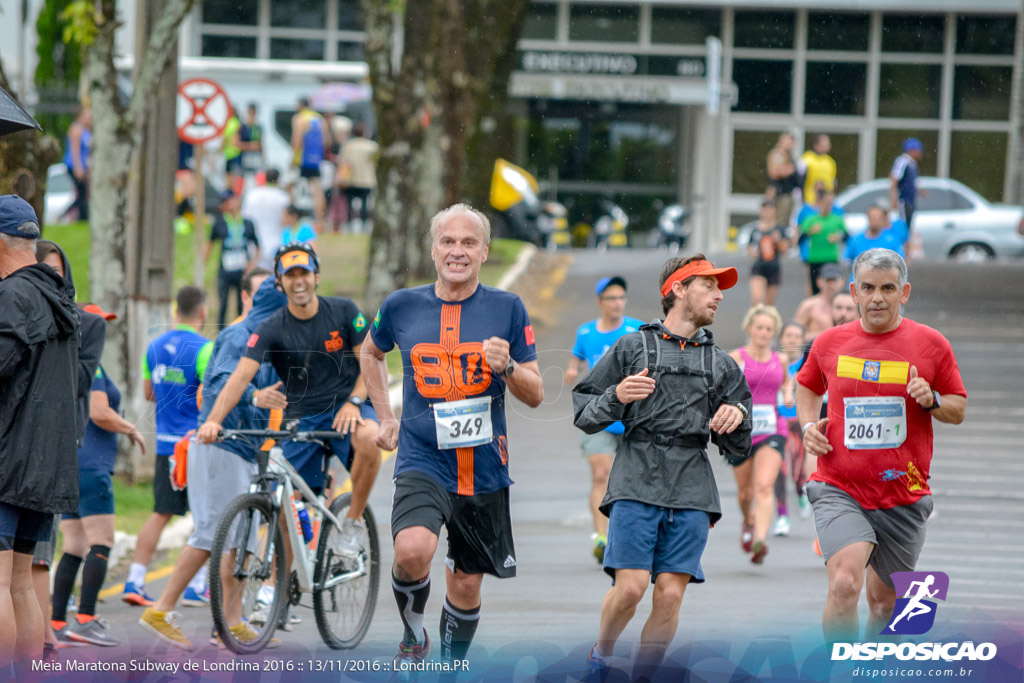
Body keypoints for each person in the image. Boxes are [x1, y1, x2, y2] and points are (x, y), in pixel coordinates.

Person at [359, 204, 544, 674]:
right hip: (423, 455)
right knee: (413, 550)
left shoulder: (507, 309)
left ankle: (450, 666)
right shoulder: (402, 305)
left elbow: (537, 393)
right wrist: (385, 416)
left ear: (484, 252)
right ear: (433, 248)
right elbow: (371, 352)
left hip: (483, 465)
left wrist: (508, 367)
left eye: (467, 243)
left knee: (465, 583)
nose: (456, 251)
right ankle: (412, 633)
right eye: (447, 241)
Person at [572, 255, 752, 679]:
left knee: (669, 597)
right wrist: (617, 395)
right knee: (631, 589)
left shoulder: (720, 363)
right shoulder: (633, 346)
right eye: (709, 286)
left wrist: (737, 417)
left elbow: (739, 444)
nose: (719, 295)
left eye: (719, 288)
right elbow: (584, 411)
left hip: (692, 481)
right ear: (678, 290)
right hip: (637, 473)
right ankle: (602, 653)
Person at [796, 248, 967, 642]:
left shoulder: (931, 343)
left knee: (885, 604)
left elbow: (957, 407)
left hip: (902, 492)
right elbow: (806, 385)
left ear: (904, 292)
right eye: (869, 288)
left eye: (888, 288)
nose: (877, 298)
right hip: (841, 486)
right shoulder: (829, 342)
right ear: (853, 292)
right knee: (843, 583)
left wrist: (933, 400)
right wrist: (808, 425)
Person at [197, 242, 380, 557]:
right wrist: (212, 420)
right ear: (279, 282)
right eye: (290, 274)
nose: (299, 281)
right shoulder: (271, 328)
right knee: (283, 502)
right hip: (301, 416)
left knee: (370, 437)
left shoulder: (345, 310)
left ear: (316, 277)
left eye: (304, 273)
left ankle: (352, 523)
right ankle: (280, 588)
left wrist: (354, 401)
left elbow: (370, 362)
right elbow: (240, 376)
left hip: (345, 406)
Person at [140, 275, 288, 651]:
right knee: (211, 533)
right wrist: (256, 398)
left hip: (244, 447)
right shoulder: (241, 336)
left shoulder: (268, 339)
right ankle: (162, 608)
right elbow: (221, 381)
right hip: (221, 446)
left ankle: (231, 623)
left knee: (237, 539)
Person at [0, 195, 80, 671]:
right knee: (21, 583)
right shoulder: (58, 293)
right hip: (47, 462)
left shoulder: (13, 295)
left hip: (10, 458)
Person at [51, 304, 146, 648]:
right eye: (97, 324)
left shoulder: (64, 362)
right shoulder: (91, 366)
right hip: (92, 466)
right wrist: (130, 429)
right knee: (101, 541)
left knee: (74, 546)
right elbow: (99, 412)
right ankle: (87, 619)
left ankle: (58, 620)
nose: (102, 330)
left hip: (71, 463)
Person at [31, 240, 107, 658]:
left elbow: (78, 382)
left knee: (40, 555)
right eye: (41, 270)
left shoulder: (87, 326)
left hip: (54, 451)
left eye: (57, 270)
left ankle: (45, 637)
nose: (51, 279)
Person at [124, 287, 213, 607]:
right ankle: (198, 585)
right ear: (202, 313)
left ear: (176, 312)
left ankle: (134, 579)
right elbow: (211, 396)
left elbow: (149, 392)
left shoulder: (155, 346)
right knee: (205, 517)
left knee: (160, 513)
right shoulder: (205, 349)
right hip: (196, 446)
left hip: (165, 446)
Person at [564, 276, 644, 563]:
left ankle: (627, 535)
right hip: (598, 415)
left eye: (621, 297)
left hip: (632, 415)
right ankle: (601, 537)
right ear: (600, 302)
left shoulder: (637, 329)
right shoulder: (586, 333)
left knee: (632, 480)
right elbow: (576, 358)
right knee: (601, 475)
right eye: (611, 298)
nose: (617, 303)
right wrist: (572, 371)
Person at [729, 305, 792, 565]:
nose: (764, 333)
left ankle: (760, 539)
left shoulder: (781, 359)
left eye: (769, 329)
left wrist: (788, 392)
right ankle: (749, 519)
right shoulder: (737, 358)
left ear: (774, 332)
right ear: (749, 329)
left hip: (773, 429)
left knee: (764, 486)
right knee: (745, 494)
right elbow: (724, 390)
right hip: (742, 432)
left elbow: (787, 381)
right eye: (759, 327)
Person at [773, 322, 809, 537]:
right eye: (788, 335)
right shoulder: (774, 362)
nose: (793, 339)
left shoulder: (807, 364)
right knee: (779, 469)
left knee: (797, 470)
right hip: (776, 422)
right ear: (781, 339)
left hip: (799, 422)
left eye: (797, 335)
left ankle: (800, 491)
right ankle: (782, 516)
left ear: (803, 340)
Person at [205, 189, 260, 328]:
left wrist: (252, 264)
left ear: (236, 201)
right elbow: (209, 244)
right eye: (224, 202)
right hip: (225, 271)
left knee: (242, 305)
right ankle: (221, 335)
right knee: (222, 305)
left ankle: (241, 332)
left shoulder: (247, 223)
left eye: (229, 201)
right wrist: (203, 264)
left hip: (242, 272)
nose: (227, 205)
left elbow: (258, 246)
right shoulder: (219, 222)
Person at [291, 98, 331, 232]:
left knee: (290, 187)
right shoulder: (319, 119)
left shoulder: (299, 119)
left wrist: (292, 159)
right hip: (315, 160)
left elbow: (296, 142)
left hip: (301, 160)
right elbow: (327, 142)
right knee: (317, 192)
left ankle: (293, 219)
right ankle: (320, 222)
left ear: (301, 106)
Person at [242, 168, 290, 271]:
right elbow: (286, 221)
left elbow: (245, 218)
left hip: (254, 244)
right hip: (275, 243)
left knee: (254, 277)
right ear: (278, 180)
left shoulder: (252, 194)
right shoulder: (282, 197)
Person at [800, 191, 846, 295]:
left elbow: (847, 236)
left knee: (831, 287)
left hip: (830, 258)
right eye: (825, 202)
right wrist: (810, 232)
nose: (827, 206)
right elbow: (800, 239)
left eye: (830, 203)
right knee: (815, 289)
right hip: (815, 258)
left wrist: (838, 237)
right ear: (820, 203)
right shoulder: (811, 219)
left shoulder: (837, 219)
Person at [746, 199, 790, 307]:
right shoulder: (756, 229)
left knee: (769, 304)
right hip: (759, 266)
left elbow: (785, 250)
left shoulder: (779, 229)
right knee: (757, 299)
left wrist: (777, 241)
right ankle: (754, 321)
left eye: (769, 209)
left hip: (774, 267)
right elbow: (749, 247)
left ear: (774, 211)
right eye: (764, 209)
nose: (767, 212)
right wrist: (753, 252)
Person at [889, 137, 926, 258]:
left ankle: (906, 255)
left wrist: (919, 191)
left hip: (910, 201)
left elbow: (911, 182)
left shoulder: (912, 164)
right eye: (919, 150)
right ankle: (902, 255)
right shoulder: (902, 161)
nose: (921, 153)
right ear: (911, 150)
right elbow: (894, 178)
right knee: (903, 227)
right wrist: (893, 199)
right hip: (903, 201)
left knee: (908, 227)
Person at [339, 123, 379, 232]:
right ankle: (364, 225)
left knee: (349, 204)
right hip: (367, 180)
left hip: (351, 180)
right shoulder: (372, 146)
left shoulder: (348, 145)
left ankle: (349, 225)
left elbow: (343, 162)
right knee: (365, 204)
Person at [794, 263, 845, 340]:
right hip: (816, 349)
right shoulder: (809, 306)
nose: (831, 285)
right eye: (828, 280)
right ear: (819, 281)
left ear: (842, 282)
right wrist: (825, 335)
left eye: (834, 280)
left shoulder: (849, 305)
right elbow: (794, 333)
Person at [63, 106, 92, 222]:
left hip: (82, 166)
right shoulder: (76, 130)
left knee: (82, 194)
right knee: (81, 194)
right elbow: (75, 150)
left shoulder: (85, 130)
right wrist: (78, 168)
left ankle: (78, 217)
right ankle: (79, 218)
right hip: (73, 165)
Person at [766, 132, 798, 228]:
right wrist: (791, 169)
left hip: (786, 193)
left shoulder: (788, 155)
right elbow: (773, 172)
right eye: (789, 141)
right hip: (780, 194)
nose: (791, 144)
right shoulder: (778, 154)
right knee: (778, 224)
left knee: (783, 223)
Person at [799, 134, 837, 204]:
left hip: (825, 202)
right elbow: (800, 179)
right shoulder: (807, 158)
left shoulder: (830, 161)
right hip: (809, 200)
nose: (828, 144)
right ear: (816, 144)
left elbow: (833, 182)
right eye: (825, 142)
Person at [221, 104, 244, 196]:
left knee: (229, 182)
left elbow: (225, 139)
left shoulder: (229, 123)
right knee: (235, 182)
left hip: (230, 154)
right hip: (235, 154)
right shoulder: (237, 123)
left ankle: (229, 197)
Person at [239, 102, 264, 177]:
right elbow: (237, 143)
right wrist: (251, 146)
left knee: (256, 177)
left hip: (256, 156)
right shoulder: (243, 127)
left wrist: (263, 158)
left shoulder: (258, 127)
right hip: (245, 156)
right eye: (250, 113)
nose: (252, 115)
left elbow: (261, 143)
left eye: (253, 113)